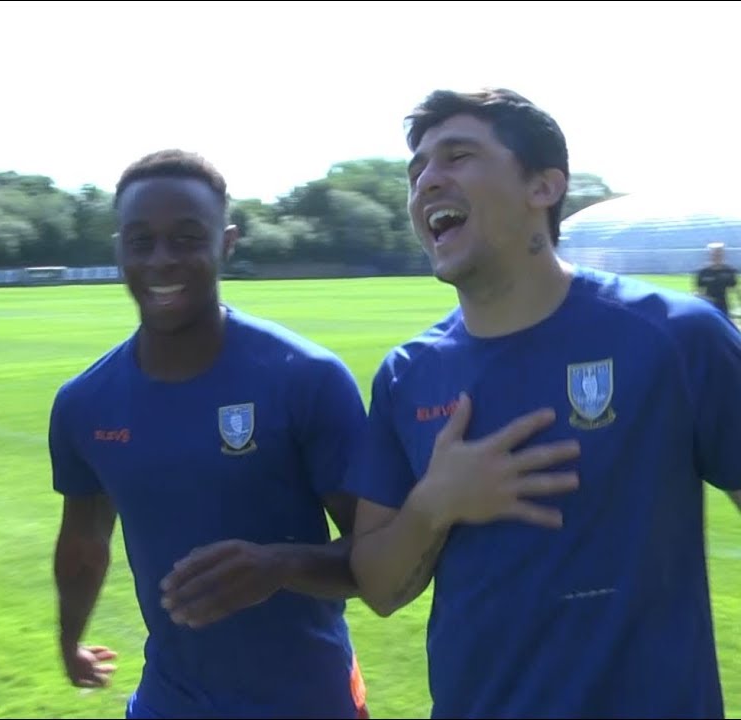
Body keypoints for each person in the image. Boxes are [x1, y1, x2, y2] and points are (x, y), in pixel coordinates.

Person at [345, 87, 741, 719]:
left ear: (544, 186)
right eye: (417, 168)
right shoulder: (408, 375)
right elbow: (380, 587)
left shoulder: (676, 337)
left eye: (458, 156)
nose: (427, 181)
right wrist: (434, 505)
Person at [48, 149, 370, 719]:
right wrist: (69, 640)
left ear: (228, 242)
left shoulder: (306, 379)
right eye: (141, 241)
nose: (162, 260)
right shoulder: (83, 403)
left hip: (308, 701)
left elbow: (379, 558)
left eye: (187, 238)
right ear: (118, 249)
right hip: (170, 700)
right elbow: (83, 545)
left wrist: (281, 565)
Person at [694, 242, 738, 318]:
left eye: (719, 253)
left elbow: (735, 290)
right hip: (708, 306)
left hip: (723, 305)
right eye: (714, 254)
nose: (717, 256)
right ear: (710, 255)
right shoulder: (703, 272)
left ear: (723, 255)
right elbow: (698, 291)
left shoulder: (729, 271)